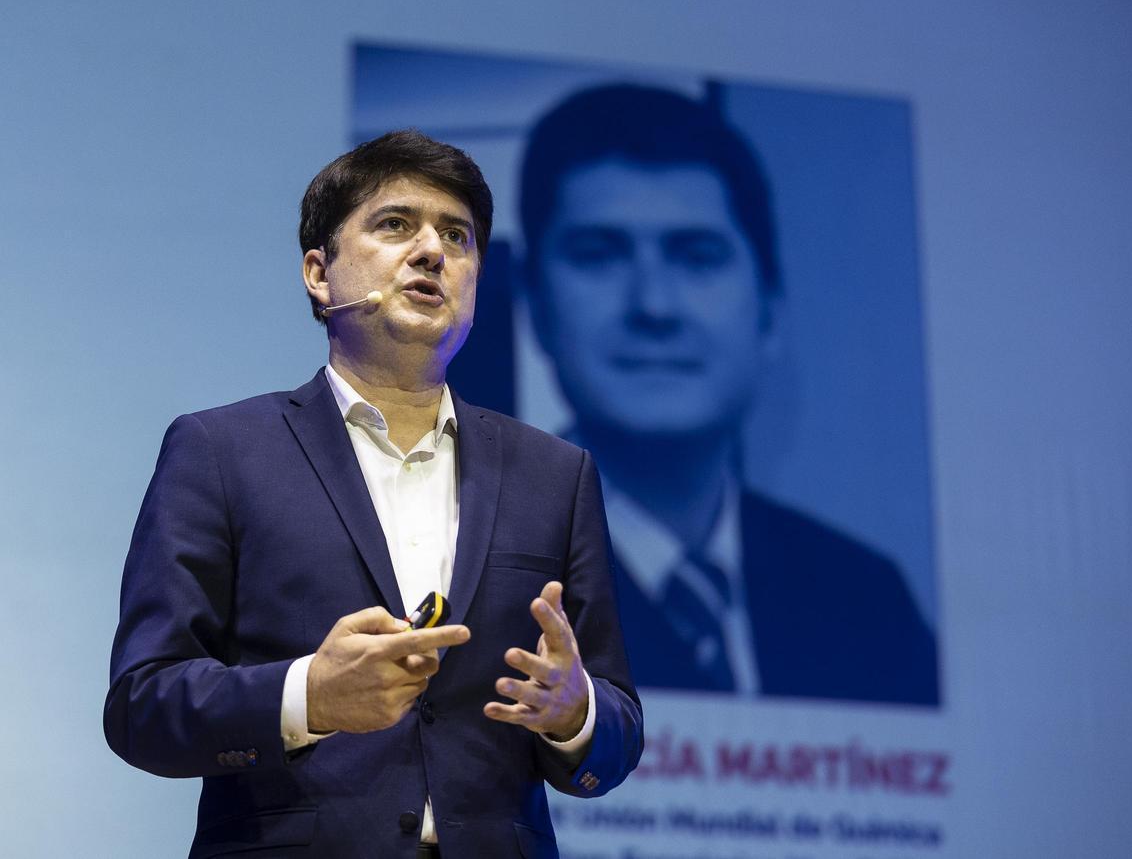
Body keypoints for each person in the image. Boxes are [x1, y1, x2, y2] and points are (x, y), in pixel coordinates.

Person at [104, 130, 643, 858]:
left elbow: (616, 723)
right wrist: (309, 697)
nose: (432, 252)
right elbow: (143, 705)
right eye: (396, 225)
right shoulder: (221, 451)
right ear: (319, 274)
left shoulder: (555, 473)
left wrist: (575, 712)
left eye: (458, 236)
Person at [520, 83, 939, 705]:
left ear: (770, 311)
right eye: (599, 254)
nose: (654, 306)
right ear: (535, 307)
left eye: (698, 256)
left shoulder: (868, 599)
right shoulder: (464, 577)